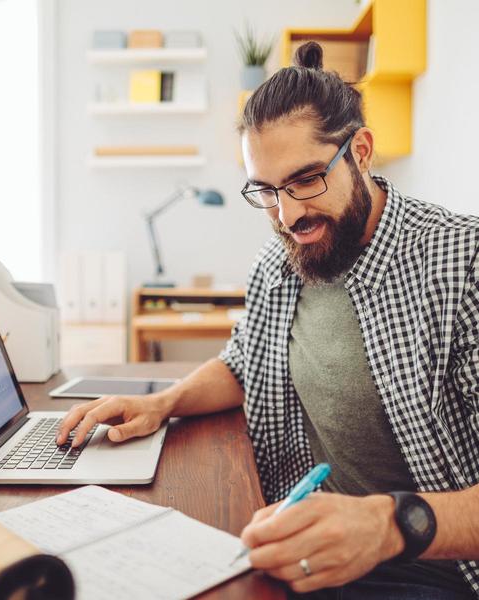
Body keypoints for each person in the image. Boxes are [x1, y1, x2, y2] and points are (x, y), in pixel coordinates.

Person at [56, 42, 479, 599]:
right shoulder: (281, 260)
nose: (288, 214)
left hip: (432, 566)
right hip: (302, 542)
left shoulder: (461, 261)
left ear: (363, 151)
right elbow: (245, 364)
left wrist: (387, 526)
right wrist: (164, 403)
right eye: (266, 190)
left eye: (306, 180)